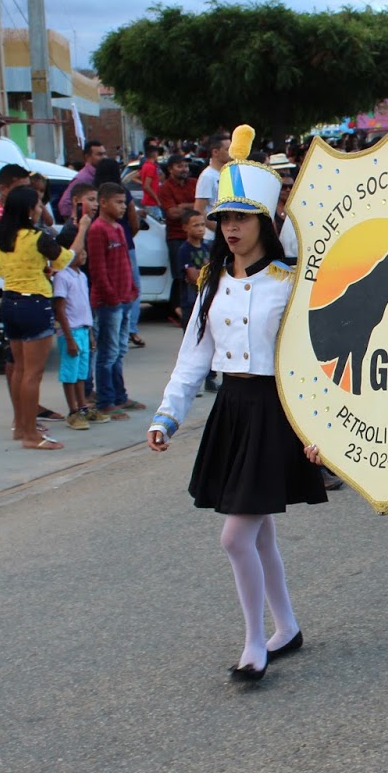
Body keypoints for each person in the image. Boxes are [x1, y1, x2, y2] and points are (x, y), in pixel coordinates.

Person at [148, 125, 326, 683]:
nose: (230, 227)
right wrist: (167, 414)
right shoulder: (212, 282)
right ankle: (285, 626)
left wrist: (320, 429)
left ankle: (254, 642)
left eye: (242, 218)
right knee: (258, 531)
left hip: (276, 412)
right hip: (232, 410)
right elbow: (193, 357)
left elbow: (314, 362)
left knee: (236, 536)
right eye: (224, 218)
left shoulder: (291, 283)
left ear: (265, 223)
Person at [0, 184, 82, 449]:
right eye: (39, 204)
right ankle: (31, 434)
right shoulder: (36, 237)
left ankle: (21, 426)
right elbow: (66, 259)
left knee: (20, 368)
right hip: (34, 303)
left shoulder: (0, 234)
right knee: (33, 373)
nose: (41, 209)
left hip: (10, 300)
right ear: (29, 209)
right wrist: (83, 227)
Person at [87, 182, 137, 422]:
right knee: (108, 353)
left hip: (125, 298)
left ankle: (120, 396)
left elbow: (125, 261)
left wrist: (132, 288)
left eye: (124, 202)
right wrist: (112, 297)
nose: (123, 207)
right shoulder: (98, 229)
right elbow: (98, 270)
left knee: (119, 351)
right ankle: (105, 402)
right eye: (118, 202)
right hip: (110, 302)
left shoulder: (118, 228)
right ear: (103, 202)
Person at [51, 225, 94, 431]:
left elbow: (85, 306)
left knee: (81, 373)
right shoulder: (62, 276)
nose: (84, 254)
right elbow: (59, 308)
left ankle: (83, 406)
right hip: (71, 331)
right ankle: (73, 411)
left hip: (83, 329)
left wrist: (90, 333)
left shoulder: (81, 275)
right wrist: (68, 338)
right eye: (80, 250)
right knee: (70, 373)